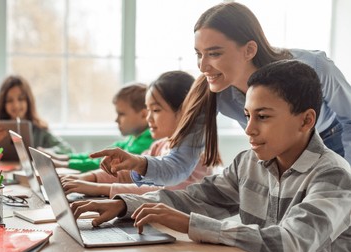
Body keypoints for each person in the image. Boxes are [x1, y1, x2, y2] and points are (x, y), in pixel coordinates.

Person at [72, 60, 351, 252]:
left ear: (306, 120)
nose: (249, 129)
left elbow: (289, 246)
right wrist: (123, 204)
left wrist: (190, 223)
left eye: (263, 116)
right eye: (247, 115)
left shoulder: (334, 176)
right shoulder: (248, 163)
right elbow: (193, 199)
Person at [91, 2, 351, 187]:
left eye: (214, 53)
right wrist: (137, 162)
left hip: (332, 142)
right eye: (198, 54)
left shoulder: (314, 66)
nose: (203, 67)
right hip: (278, 152)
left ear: (249, 50)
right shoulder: (212, 91)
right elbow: (180, 164)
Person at [61, 71, 214, 197]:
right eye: (148, 111)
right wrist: (85, 178)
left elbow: (163, 193)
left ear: (184, 111)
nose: (148, 118)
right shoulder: (158, 146)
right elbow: (126, 173)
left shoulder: (195, 157)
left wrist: (98, 188)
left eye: (155, 110)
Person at [43, 82, 154, 173]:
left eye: (121, 114)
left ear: (143, 115)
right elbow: (99, 155)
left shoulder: (148, 142)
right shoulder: (133, 138)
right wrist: (63, 158)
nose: (116, 120)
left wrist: (62, 164)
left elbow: (102, 164)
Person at [0, 75, 73, 154]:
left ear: (28, 101)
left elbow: (68, 150)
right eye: (9, 100)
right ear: (3, 104)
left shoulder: (39, 130)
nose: (16, 105)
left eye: (21, 99)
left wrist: (43, 152)